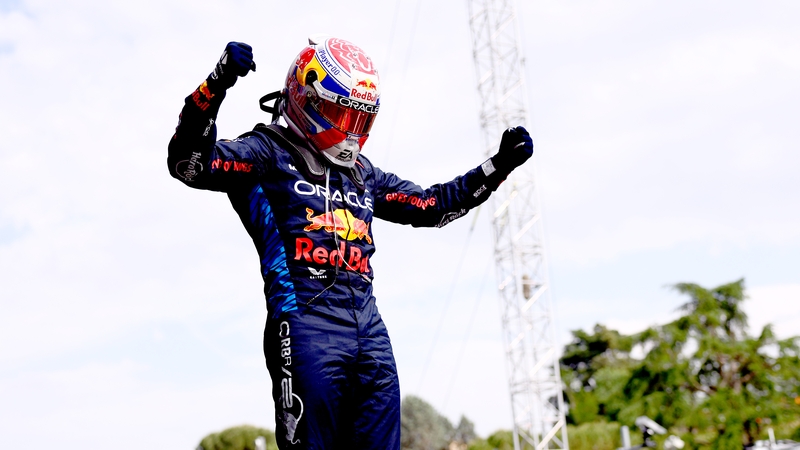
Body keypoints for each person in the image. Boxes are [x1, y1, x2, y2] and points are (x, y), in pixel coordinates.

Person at [168, 37, 533, 449]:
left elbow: (433, 206)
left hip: (370, 331)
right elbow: (189, 164)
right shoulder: (266, 152)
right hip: (306, 325)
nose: (349, 130)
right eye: (341, 113)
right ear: (307, 98)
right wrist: (217, 83)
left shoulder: (363, 173)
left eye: (360, 119)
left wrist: (497, 166)